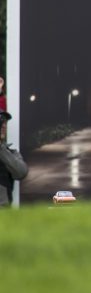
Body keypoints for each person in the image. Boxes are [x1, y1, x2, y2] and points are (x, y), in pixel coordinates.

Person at [1, 78, 29, 208]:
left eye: (5, 123)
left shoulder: (11, 153)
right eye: (1, 123)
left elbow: (21, 172)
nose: (3, 126)